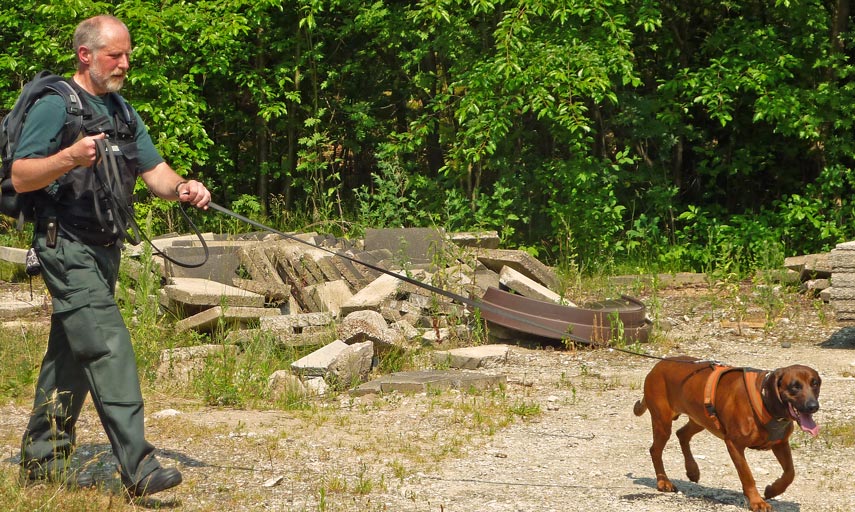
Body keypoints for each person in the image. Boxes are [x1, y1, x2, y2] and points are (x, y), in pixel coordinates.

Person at [12, 14, 211, 497]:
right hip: (65, 245)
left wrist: (183, 187)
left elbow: (156, 172)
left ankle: (42, 459)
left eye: (126, 56)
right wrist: (69, 158)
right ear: (86, 55)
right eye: (114, 55)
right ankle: (139, 468)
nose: (124, 64)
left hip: (106, 250)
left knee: (72, 355)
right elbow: (20, 175)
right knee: (107, 344)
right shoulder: (55, 106)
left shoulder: (122, 111)